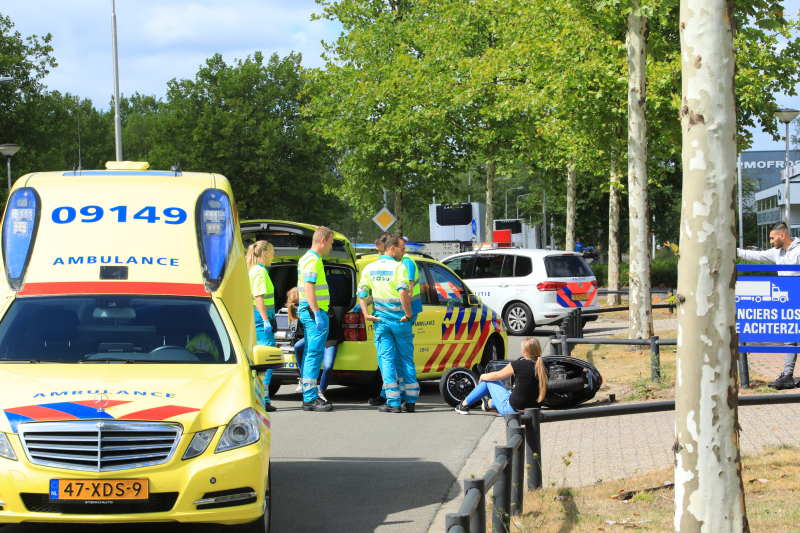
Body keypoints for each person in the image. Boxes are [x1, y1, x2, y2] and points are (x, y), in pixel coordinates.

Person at [737, 220, 800, 390]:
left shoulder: (798, 251)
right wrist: (731, 250)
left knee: (791, 337)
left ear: (782, 235)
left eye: (772, 238)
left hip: (797, 298)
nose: (771, 242)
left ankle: (787, 375)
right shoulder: (776, 253)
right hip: (789, 302)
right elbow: (755, 256)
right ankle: (787, 375)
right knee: (789, 336)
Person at [358, 234, 417, 413]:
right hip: (400, 321)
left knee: (387, 361)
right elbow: (403, 293)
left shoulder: (369, 268)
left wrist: (366, 314)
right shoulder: (399, 267)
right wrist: (408, 314)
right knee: (406, 359)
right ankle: (410, 401)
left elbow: (361, 294)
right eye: (402, 249)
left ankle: (393, 402)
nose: (403, 253)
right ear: (392, 248)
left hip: (381, 321)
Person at [455, 338, 547, 415]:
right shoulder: (544, 365)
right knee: (510, 392)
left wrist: (483, 376)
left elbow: (496, 376)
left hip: (513, 411)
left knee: (489, 380)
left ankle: (463, 405)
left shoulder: (518, 364)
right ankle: (489, 404)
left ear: (525, 352)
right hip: (535, 411)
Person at [297, 226, 335, 411]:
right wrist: (317, 313)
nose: (331, 247)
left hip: (308, 310)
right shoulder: (314, 260)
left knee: (309, 353)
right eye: (331, 243)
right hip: (314, 311)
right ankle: (310, 398)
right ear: (323, 240)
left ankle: (308, 394)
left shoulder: (304, 258)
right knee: (314, 354)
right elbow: (309, 287)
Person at [286, 287, 344, 401]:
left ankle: (321, 392)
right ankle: (303, 376)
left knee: (328, 366)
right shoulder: (303, 309)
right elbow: (303, 331)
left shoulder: (321, 306)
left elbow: (328, 324)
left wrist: (315, 317)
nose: (297, 307)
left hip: (330, 337)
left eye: (297, 304)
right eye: (295, 305)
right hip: (315, 336)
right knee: (298, 346)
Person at [247, 240, 278, 412]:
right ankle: (262, 399)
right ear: (265, 253)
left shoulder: (253, 270)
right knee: (267, 359)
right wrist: (266, 320)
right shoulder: (260, 271)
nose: (274, 257)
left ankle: (262, 397)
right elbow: (258, 296)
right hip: (261, 320)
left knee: (261, 359)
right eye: (272, 253)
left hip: (258, 319)